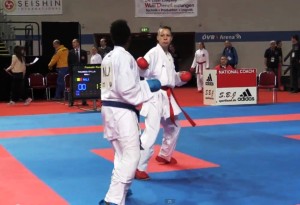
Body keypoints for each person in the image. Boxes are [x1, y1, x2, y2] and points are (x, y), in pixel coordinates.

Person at [99, 19, 161, 205]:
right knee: (132, 155)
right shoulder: (124, 57)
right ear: (129, 38)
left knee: (121, 154)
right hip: (121, 111)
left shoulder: (107, 57)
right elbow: (128, 91)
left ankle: (121, 191)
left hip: (109, 109)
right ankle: (112, 199)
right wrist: (148, 86)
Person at [135, 26, 195, 181]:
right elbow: (143, 71)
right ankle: (138, 167)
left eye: (168, 35)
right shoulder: (153, 53)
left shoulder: (169, 55)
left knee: (174, 126)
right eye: (162, 35)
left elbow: (170, 78)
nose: (165, 37)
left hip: (167, 96)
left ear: (171, 38)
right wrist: (141, 65)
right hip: (154, 95)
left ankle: (164, 155)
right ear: (157, 37)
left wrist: (181, 77)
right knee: (151, 131)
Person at [68, 38, 88, 106]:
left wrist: (84, 71)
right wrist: (71, 72)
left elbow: (85, 63)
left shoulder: (84, 52)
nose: (73, 44)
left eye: (74, 42)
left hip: (82, 72)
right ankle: (71, 102)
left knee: (84, 86)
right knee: (72, 87)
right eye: (72, 43)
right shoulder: (70, 52)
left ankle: (84, 101)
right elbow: (69, 63)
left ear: (78, 43)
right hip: (73, 73)